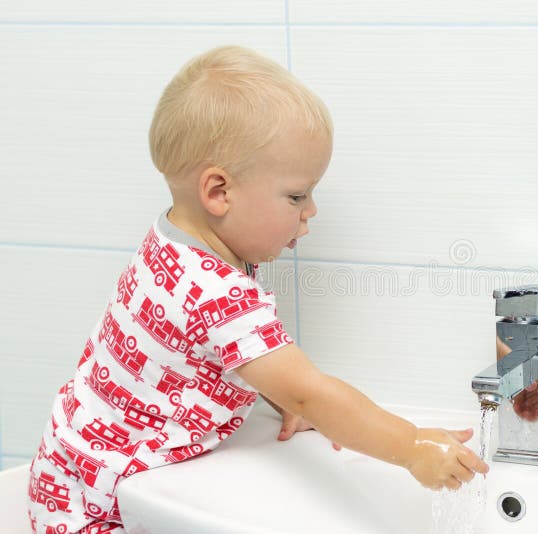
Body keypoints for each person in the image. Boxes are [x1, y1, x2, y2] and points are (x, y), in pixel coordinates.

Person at [26, 45, 488, 533]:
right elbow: (312, 393)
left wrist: (277, 396)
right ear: (219, 193)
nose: (311, 211)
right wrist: (412, 446)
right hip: (99, 510)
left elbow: (201, 354)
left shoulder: (172, 241)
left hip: (71, 470)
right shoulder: (216, 291)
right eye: (296, 195)